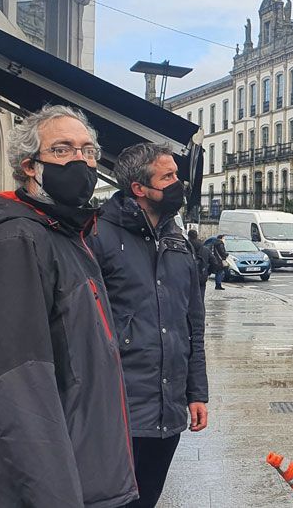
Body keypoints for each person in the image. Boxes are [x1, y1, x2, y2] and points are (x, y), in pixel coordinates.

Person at [0, 105, 138, 507]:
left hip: (81, 474)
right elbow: (19, 390)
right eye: (62, 149)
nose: (80, 160)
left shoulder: (66, 236)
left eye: (88, 151)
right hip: (41, 491)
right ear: (29, 168)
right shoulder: (17, 242)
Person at [87, 143, 209, 508]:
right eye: (168, 176)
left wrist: (196, 392)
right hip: (118, 406)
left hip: (168, 408)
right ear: (139, 188)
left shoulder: (176, 239)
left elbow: (193, 322)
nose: (178, 184)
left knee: (147, 499)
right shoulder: (98, 235)